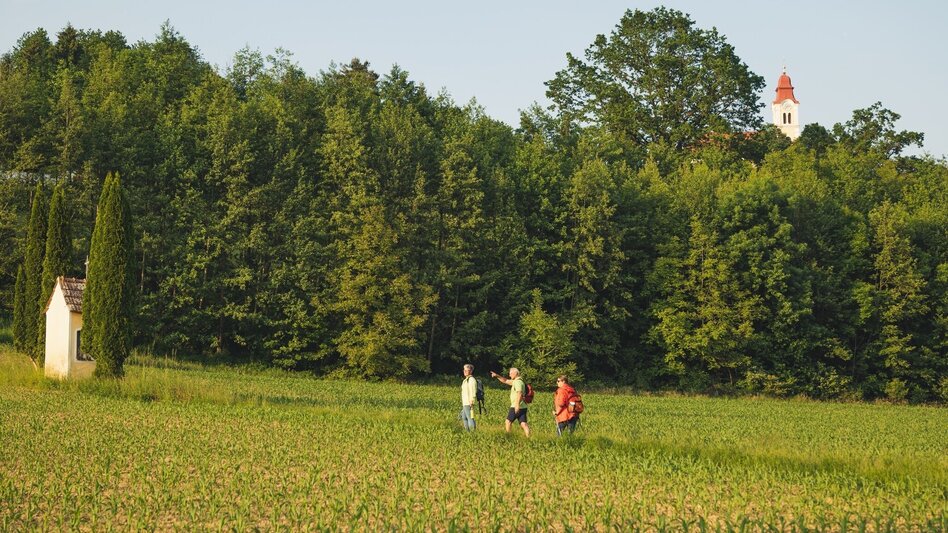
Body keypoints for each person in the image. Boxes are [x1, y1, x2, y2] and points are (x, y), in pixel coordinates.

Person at [489, 367, 530, 437]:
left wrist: (517, 405)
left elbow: (519, 393)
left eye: (510, 373)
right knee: (523, 423)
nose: (509, 375)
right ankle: (528, 437)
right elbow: (505, 381)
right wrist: (497, 376)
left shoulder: (517, 382)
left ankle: (508, 436)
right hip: (523, 406)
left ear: (516, 373)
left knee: (508, 422)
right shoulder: (518, 381)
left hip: (516, 406)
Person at [460, 363, 477, 431]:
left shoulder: (471, 380)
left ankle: (472, 432)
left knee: (470, 417)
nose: (465, 371)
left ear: (471, 371)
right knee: (464, 417)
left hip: (468, 402)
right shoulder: (466, 380)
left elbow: (473, 391)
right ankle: (467, 431)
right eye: (464, 370)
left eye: (467, 370)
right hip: (465, 402)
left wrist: (471, 401)